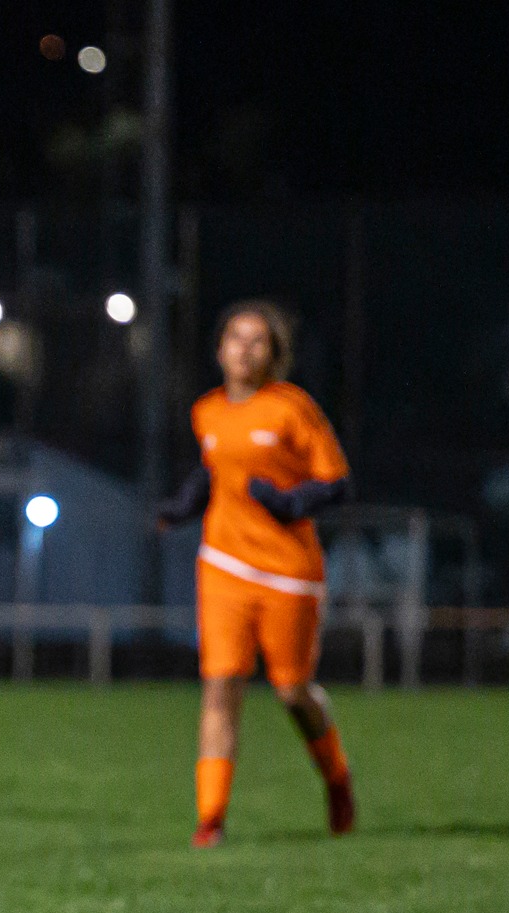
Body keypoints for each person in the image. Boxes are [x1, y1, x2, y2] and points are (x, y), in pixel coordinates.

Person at [157, 300, 356, 847]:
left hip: (289, 572)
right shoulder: (207, 412)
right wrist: (179, 508)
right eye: (235, 338)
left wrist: (289, 503)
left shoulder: (292, 409)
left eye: (257, 340)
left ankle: (337, 779)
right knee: (221, 687)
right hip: (222, 565)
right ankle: (211, 819)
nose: (244, 349)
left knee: (293, 691)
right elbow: (212, 471)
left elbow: (336, 482)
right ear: (219, 348)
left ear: (274, 354)